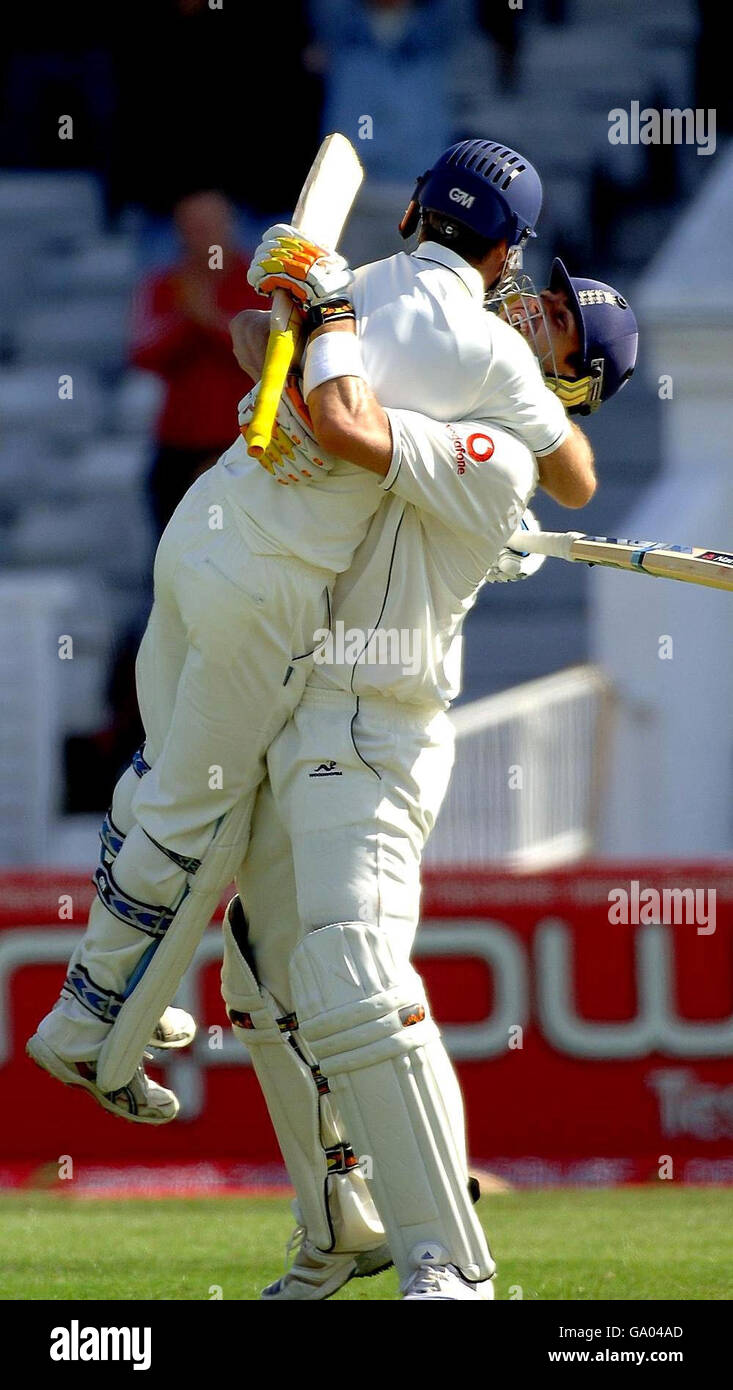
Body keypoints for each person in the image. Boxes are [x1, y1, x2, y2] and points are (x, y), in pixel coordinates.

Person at [26, 140, 588, 1146]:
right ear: (507, 254)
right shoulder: (489, 348)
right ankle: (85, 1023)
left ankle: (121, 982)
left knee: (162, 777)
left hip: (199, 527)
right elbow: (571, 475)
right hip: (267, 581)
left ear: (416, 209)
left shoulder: (355, 278)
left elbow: (252, 341)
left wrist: (298, 305)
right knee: (202, 810)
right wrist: (496, 474)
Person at [217, 225, 636, 1298]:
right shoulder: (451, 381)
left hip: (377, 725)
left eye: (562, 327)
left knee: (354, 973)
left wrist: (332, 314)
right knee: (261, 972)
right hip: (302, 704)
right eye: (543, 297)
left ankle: (451, 1265)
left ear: (573, 389)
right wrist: (292, 312)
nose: (535, 310)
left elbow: (347, 421)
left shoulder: (497, 458)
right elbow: (254, 353)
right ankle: (336, 1225)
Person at [129, 190, 261, 537]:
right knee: (172, 544)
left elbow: (266, 351)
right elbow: (144, 353)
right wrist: (188, 321)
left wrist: (208, 320)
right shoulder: (164, 285)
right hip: (179, 439)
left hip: (245, 441)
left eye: (209, 226)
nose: (201, 237)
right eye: (192, 227)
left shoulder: (259, 282)